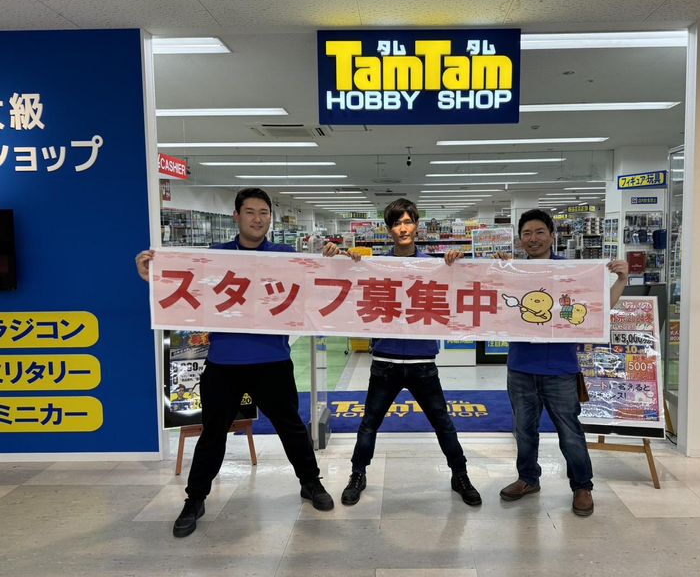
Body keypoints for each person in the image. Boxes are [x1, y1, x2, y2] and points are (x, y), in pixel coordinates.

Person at [135, 187, 334, 538]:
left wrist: (333, 260)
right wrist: (154, 278)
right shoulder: (216, 257)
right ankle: (195, 499)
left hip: (272, 361)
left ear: (270, 218)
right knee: (213, 434)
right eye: (251, 212)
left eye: (264, 213)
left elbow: (320, 287)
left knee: (291, 427)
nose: (258, 219)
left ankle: (311, 482)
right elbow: (186, 292)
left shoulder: (285, 257)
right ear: (237, 217)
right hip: (224, 363)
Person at [321, 198, 482, 507]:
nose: (403, 228)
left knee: (443, 423)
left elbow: (468, 286)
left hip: (423, 361)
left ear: (417, 226)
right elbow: (342, 285)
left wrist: (459, 262)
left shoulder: (437, 265)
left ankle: (460, 475)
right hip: (386, 361)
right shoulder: (375, 265)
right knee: (369, 423)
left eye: (408, 222)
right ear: (389, 230)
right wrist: (336, 258)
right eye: (396, 223)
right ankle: (357, 474)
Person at [494, 208, 628, 517]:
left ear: (552, 236)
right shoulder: (513, 272)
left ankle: (582, 486)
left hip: (561, 368)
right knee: (524, 430)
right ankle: (528, 479)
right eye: (527, 233)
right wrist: (489, 269)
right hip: (520, 366)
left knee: (570, 432)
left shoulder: (572, 273)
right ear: (520, 239)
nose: (533, 238)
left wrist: (622, 279)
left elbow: (598, 310)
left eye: (540, 232)